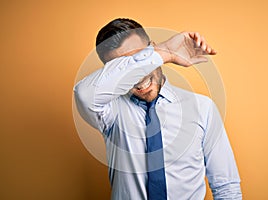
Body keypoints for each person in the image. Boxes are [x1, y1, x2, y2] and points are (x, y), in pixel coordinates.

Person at [74, 18, 242, 200]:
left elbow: (226, 187)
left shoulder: (202, 108)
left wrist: (152, 55)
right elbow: (84, 94)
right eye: (125, 66)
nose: (137, 77)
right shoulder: (109, 111)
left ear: (151, 48)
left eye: (139, 57)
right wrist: (164, 53)